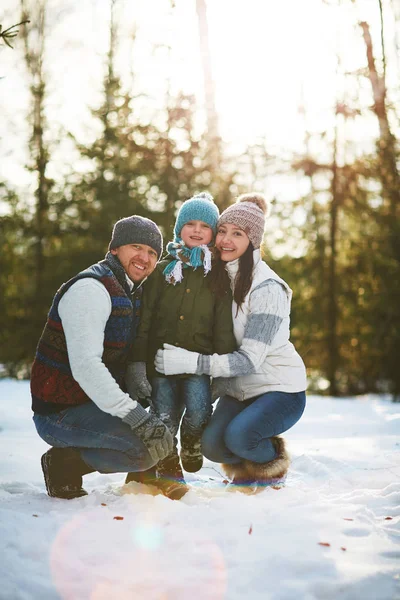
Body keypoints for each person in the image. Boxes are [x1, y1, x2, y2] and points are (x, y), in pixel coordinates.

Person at [155, 193, 307, 492]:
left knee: (239, 437)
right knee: (211, 446)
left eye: (238, 234)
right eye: (222, 230)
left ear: (253, 241)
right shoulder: (218, 274)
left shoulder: (267, 288)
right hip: (238, 390)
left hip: (279, 389)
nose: (226, 239)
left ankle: (270, 457)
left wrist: (189, 362)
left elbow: (249, 360)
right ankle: (249, 445)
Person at [31, 215, 173, 500]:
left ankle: (147, 474)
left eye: (152, 253)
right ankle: (63, 464)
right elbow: (87, 368)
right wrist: (138, 419)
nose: (144, 258)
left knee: (160, 429)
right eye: (136, 247)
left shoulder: (130, 291)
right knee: (144, 449)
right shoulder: (91, 289)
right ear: (115, 249)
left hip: (89, 404)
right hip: (59, 412)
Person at [126, 192, 236, 499]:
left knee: (200, 411)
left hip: (197, 364)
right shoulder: (163, 271)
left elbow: (222, 327)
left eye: (205, 225)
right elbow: (144, 319)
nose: (197, 230)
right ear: (179, 228)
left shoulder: (216, 276)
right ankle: (167, 469)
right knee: (164, 419)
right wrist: (138, 363)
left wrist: (223, 367)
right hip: (160, 365)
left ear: (213, 233)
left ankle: (191, 441)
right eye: (190, 223)